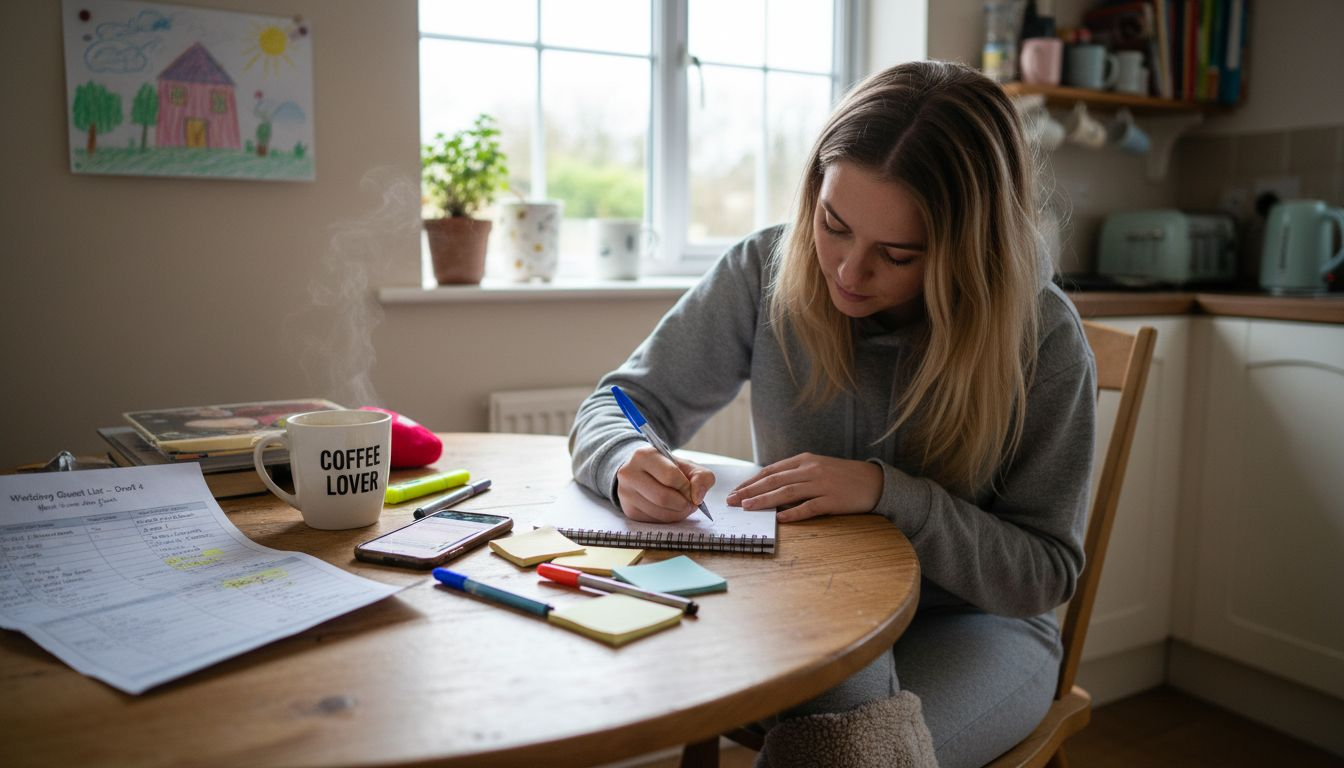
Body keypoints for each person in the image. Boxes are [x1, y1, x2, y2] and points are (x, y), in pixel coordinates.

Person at [569, 60, 1095, 768]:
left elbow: (1045, 570)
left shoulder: (1043, 336)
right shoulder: (763, 268)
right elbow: (619, 404)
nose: (848, 272)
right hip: (809, 606)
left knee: (848, 753)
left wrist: (889, 495)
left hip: (974, 626)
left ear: (968, 252)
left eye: (898, 254)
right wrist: (624, 459)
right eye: (833, 225)